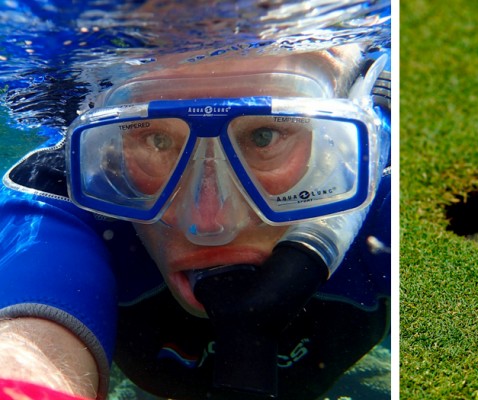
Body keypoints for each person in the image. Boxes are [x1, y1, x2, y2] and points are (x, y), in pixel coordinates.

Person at [0, 42, 391, 400]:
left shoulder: (388, 192)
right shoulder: (61, 196)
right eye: (156, 140)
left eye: (264, 136)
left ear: (340, 142)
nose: (209, 224)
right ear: (107, 149)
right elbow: (27, 351)